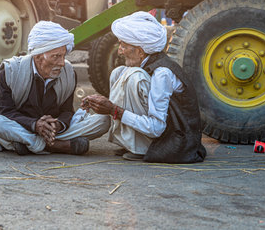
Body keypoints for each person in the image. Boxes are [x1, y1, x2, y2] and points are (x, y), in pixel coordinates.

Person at [81, 11, 206, 163]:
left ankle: (143, 148)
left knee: (134, 77)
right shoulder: (148, 63)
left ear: (140, 51)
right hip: (166, 134)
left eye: (123, 45)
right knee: (119, 72)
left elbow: (157, 127)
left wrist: (114, 110)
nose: (120, 50)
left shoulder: (162, 74)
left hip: (178, 143)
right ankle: (132, 143)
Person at [0, 21, 107, 155]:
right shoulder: (11, 70)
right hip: (22, 127)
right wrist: (34, 125)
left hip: (53, 131)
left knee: (103, 121)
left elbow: (67, 111)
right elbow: (4, 111)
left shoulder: (68, 73)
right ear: (38, 56)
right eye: (56, 56)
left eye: (63, 56)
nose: (62, 63)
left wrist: (58, 125)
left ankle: (28, 143)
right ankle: (53, 146)